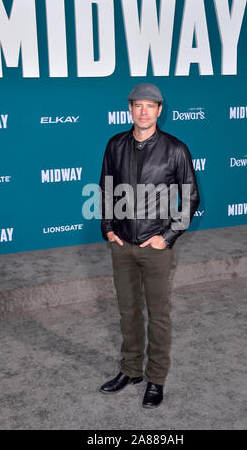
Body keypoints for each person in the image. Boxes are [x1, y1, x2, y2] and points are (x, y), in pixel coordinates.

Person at [98, 83, 200, 408]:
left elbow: (191, 198)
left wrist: (167, 237)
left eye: (150, 105)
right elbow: (105, 189)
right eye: (137, 105)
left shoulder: (175, 149)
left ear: (159, 110)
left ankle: (155, 379)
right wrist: (108, 229)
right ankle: (130, 370)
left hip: (156, 247)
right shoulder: (114, 145)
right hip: (122, 246)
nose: (143, 111)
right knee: (127, 311)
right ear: (130, 109)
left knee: (158, 315)